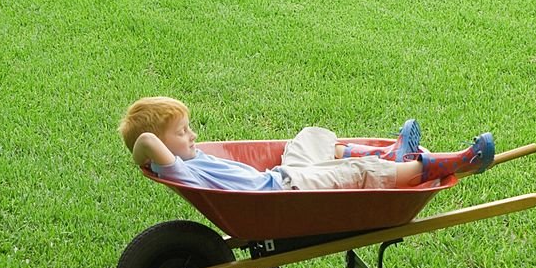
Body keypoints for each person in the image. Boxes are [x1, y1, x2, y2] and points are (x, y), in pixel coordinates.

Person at [118, 96, 495, 191]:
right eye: (183, 132)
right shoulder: (178, 169)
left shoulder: (189, 159)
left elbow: (153, 141)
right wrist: (145, 156)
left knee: (311, 137)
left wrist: (163, 146)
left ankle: (391, 154)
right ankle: (461, 163)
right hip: (284, 193)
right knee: (359, 172)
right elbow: (147, 140)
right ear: (163, 148)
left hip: (281, 177)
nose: (193, 135)